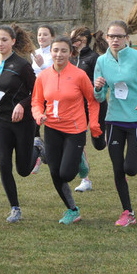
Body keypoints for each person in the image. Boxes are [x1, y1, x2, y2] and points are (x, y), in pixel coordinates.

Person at [93, 6, 137, 227]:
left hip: (135, 119)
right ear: (106, 38)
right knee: (117, 169)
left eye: (119, 36)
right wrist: (97, 88)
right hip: (113, 119)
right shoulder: (101, 61)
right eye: (111, 36)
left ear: (127, 38)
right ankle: (128, 212)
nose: (115, 40)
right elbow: (98, 97)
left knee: (130, 169)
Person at [31, 36, 102, 224]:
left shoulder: (79, 75)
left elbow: (92, 101)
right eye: (55, 50)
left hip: (75, 130)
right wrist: (39, 116)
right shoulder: (43, 76)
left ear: (71, 53)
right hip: (52, 128)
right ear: (50, 52)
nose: (59, 54)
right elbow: (36, 102)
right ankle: (72, 210)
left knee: (67, 174)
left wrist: (93, 124)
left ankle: (80, 160)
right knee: (55, 173)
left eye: (63, 50)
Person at [0, 24, 41, 223]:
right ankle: (15, 208)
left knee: (23, 170)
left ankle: (37, 148)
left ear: (12, 41)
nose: (0, 43)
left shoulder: (22, 65)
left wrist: (22, 103)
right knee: (3, 165)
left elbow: (37, 92)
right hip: (2, 122)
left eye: (4, 40)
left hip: (23, 123)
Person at [69, 26, 108, 193]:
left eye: (76, 38)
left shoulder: (94, 58)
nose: (74, 41)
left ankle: (131, 153)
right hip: (76, 107)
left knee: (99, 144)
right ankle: (85, 179)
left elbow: (102, 81)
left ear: (85, 39)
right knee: (79, 141)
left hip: (95, 105)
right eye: (72, 38)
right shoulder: (69, 59)